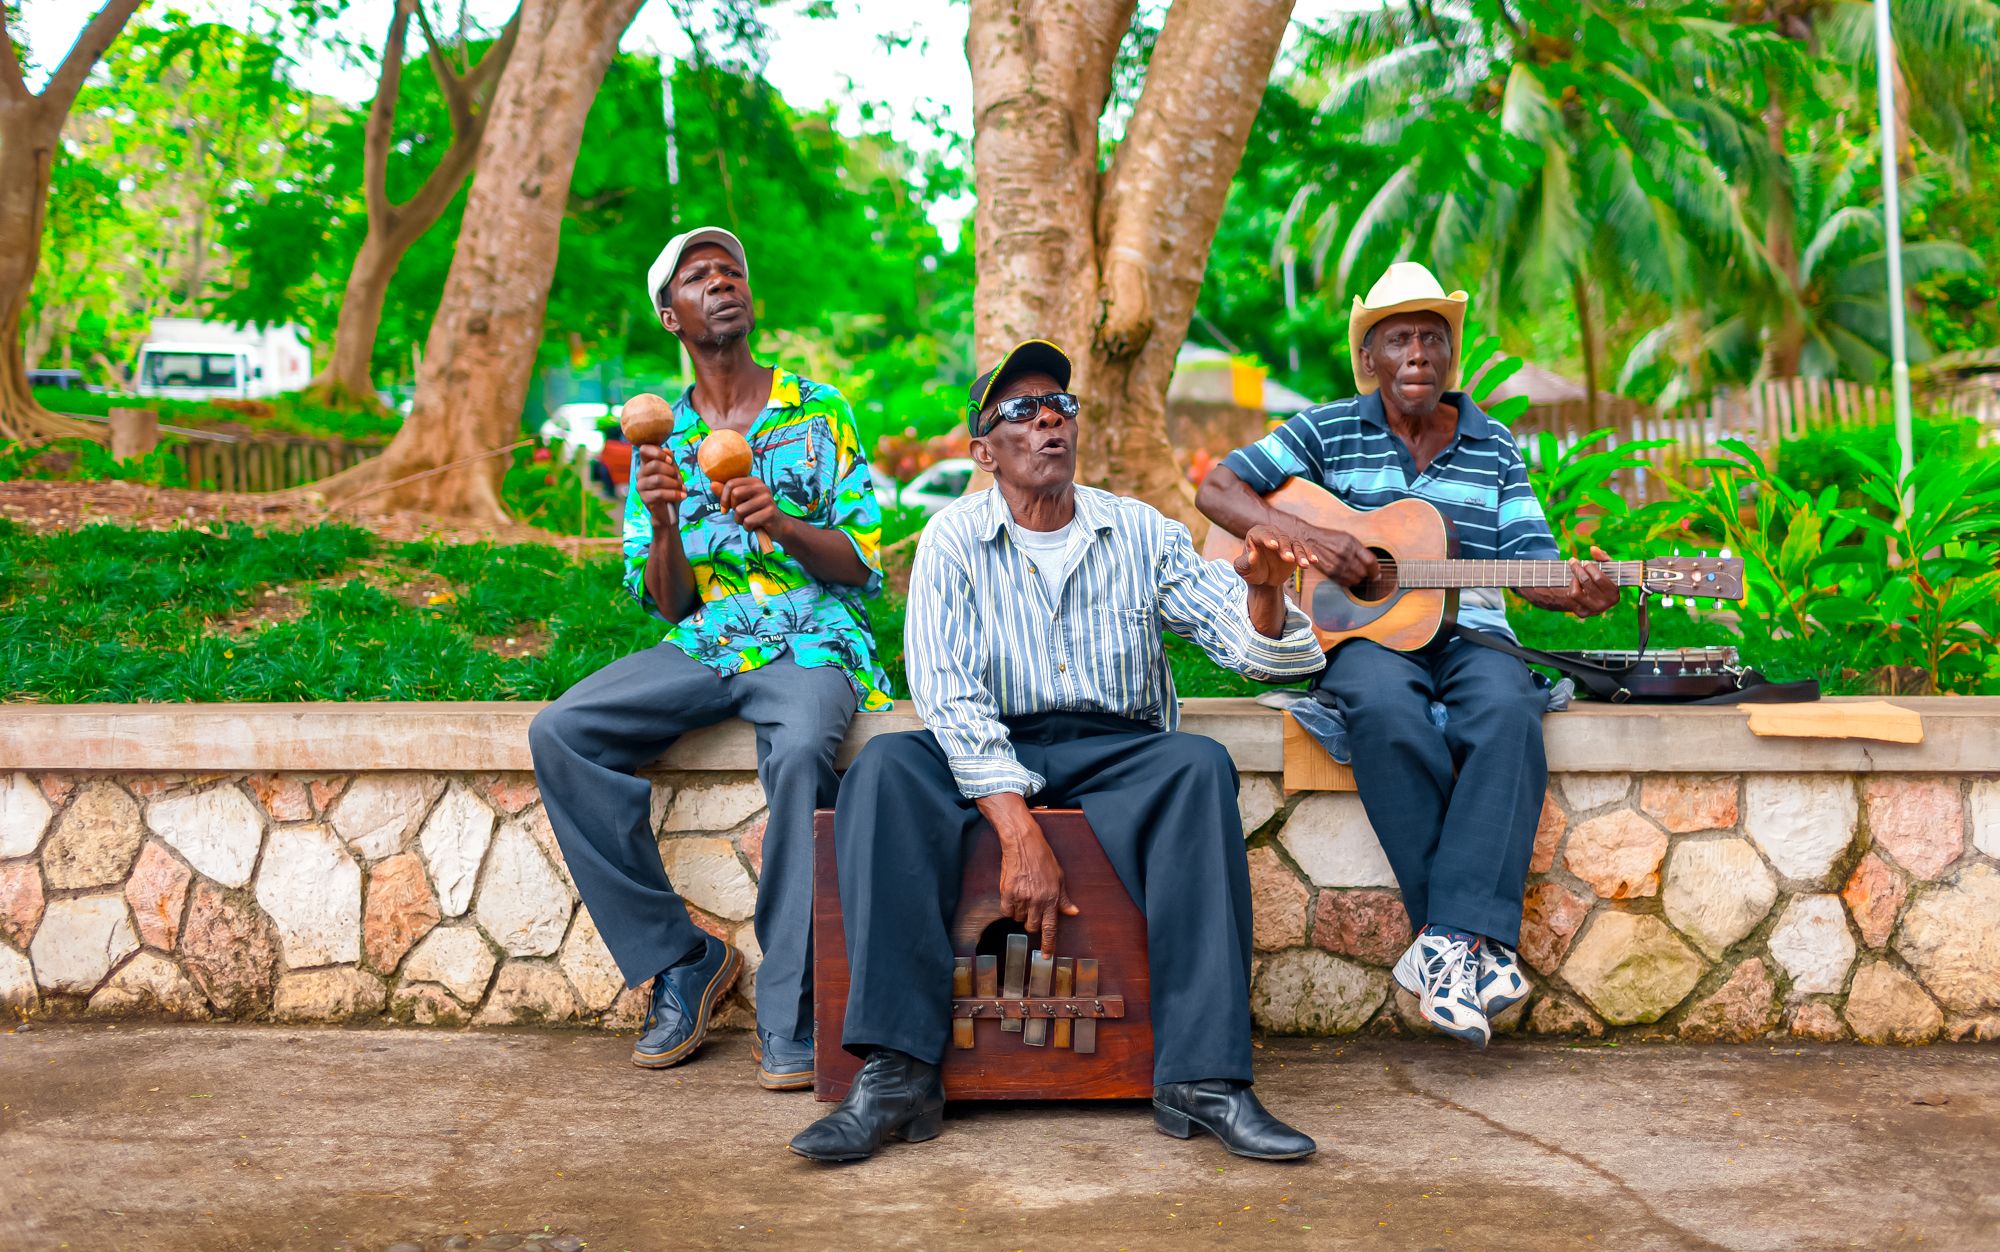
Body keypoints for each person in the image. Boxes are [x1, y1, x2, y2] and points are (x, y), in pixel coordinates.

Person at [789, 339, 1326, 1164]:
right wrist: (1019, 831)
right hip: (991, 740)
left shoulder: (1139, 531)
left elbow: (1255, 653)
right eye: (1019, 411)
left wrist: (1261, 591)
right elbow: (950, 696)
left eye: (1059, 407)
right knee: (886, 773)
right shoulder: (952, 540)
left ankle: (1204, 1080)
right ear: (983, 450)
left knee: (1198, 769)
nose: (1046, 419)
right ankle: (898, 1074)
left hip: (1112, 746)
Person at [1196, 261, 1620, 1048]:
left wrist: (1582, 591)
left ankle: (1443, 946)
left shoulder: (1493, 445)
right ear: (1372, 360)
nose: (1418, 353)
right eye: (1400, 339)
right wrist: (1318, 539)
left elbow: (1534, 559)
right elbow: (1218, 490)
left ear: (1452, 355)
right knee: (1384, 712)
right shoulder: (1323, 430)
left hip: (1476, 627)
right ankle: (1465, 942)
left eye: (1432, 337)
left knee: (1506, 709)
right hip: (1366, 639)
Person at [529, 227, 892, 1090]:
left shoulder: (818, 409)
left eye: (732, 270)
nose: (723, 282)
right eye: (700, 277)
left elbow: (862, 566)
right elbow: (670, 602)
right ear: (671, 315)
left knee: (804, 752)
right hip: (707, 637)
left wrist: (781, 524)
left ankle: (791, 1010)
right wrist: (658, 518)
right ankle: (683, 958)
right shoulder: (660, 437)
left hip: (811, 636)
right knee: (561, 732)